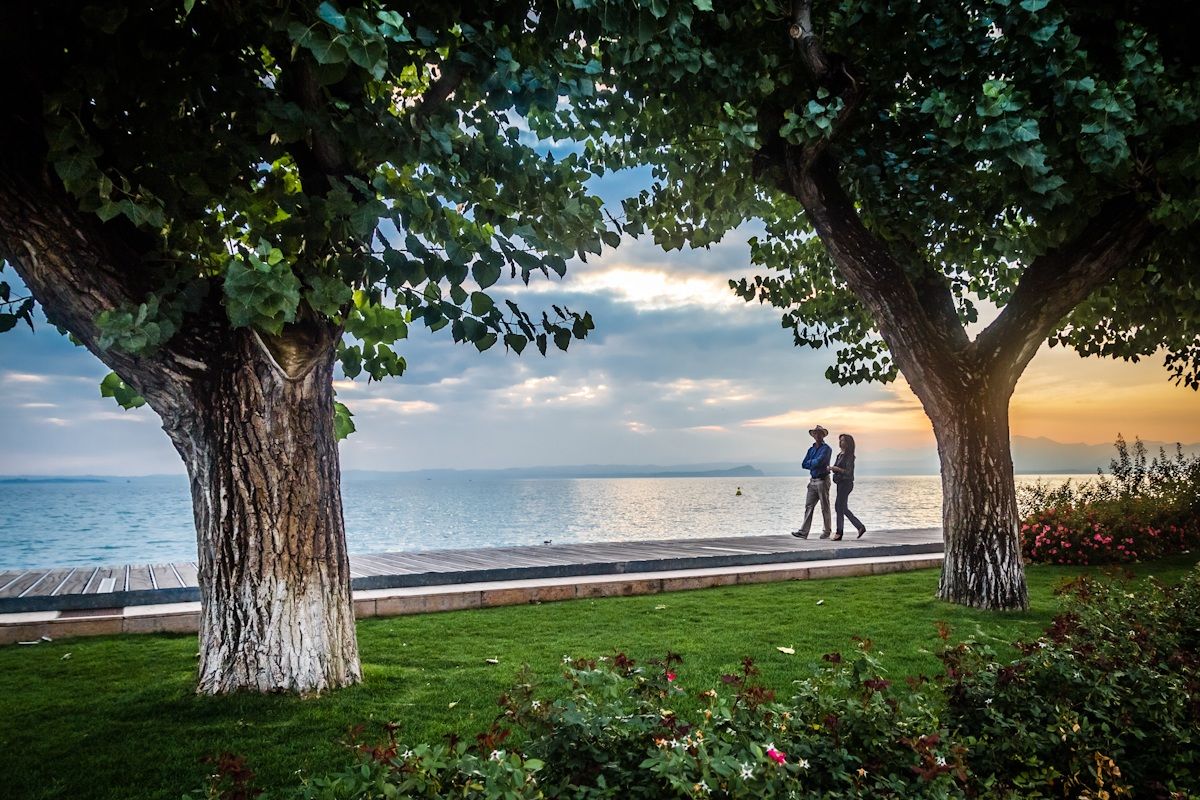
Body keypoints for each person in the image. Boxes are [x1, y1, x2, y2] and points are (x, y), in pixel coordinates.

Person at [792, 424, 832, 539]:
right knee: (808, 506)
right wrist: (813, 463)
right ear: (813, 435)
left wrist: (812, 463)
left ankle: (827, 531)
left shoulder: (827, 449)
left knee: (825, 506)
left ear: (823, 435)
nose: (817, 435)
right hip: (813, 481)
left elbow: (819, 462)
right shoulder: (811, 449)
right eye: (815, 433)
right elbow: (804, 464)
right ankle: (804, 532)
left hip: (823, 480)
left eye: (819, 433)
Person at [829, 433, 866, 540]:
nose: (841, 442)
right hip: (840, 484)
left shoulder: (849, 456)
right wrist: (832, 469)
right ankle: (860, 527)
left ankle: (839, 533)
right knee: (843, 508)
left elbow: (849, 473)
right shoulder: (839, 455)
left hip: (846, 484)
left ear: (848, 443)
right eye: (840, 440)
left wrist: (837, 469)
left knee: (838, 507)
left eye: (843, 440)